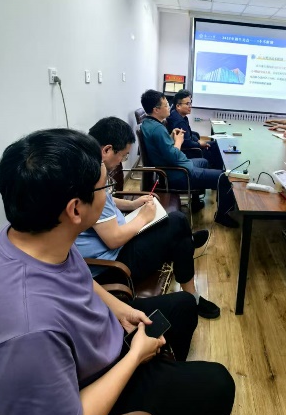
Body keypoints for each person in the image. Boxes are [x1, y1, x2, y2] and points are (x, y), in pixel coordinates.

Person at [0, 129, 245, 415]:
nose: (109, 193)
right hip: (80, 401)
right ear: (75, 209)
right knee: (218, 385)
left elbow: (76, 276)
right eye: (105, 186)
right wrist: (135, 357)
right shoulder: (25, 332)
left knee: (182, 307)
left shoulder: (30, 234)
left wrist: (118, 309)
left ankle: (171, 400)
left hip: (93, 351)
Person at [76, 117, 220, 320]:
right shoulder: (88, 177)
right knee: (178, 223)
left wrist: (133, 205)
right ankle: (192, 294)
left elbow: (106, 200)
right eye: (123, 156)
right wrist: (143, 218)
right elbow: (113, 239)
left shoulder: (86, 166)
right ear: (107, 150)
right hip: (112, 265)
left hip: (119, 245)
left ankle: (184, 247)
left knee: (177, 224)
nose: (122, 162)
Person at [140, 90, 238, 228]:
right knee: (225, 177)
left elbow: (162, 148)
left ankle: (197, 199)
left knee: (204, 162)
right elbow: (173, 156)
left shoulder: (149, 124)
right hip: (179, 173)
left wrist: (171, 136)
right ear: (156, 110)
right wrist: (178, 141)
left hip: (178, 167)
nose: (169, 108)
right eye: (166, 105)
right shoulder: (157, 129)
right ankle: (222, 215)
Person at [166, 89, 222, 168]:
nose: (190, 106)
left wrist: (198, 140)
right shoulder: (178, 121)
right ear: (178, 106)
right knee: (214, 146)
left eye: (190, 103)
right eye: (187, 104)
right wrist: (199, 144)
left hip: (190, 147)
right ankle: (217, 171)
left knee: (214, 145)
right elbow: (186, 143)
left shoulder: (180, 116)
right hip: (189, 152)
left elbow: (188, 133)